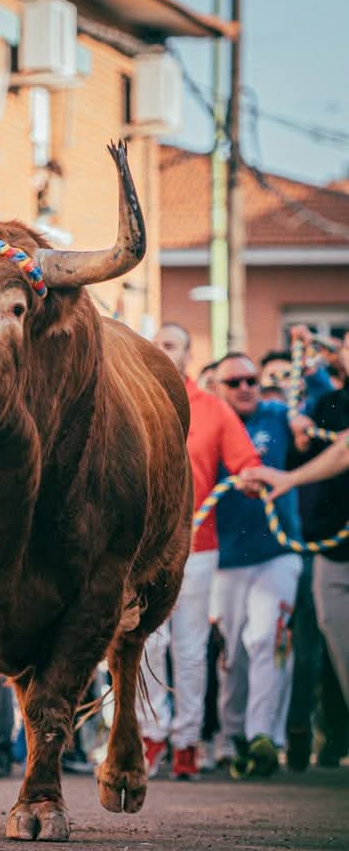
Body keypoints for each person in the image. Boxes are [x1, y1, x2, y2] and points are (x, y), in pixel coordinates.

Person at [139, 323, 262, 779]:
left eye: (170, 346)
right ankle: (151, 736)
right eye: (156, 346)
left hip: (198, 546)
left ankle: (187, 742)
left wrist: (251, 477)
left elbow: (246, 461)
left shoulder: (212, 410)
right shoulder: (132, 401)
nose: (161, 353)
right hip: (142, 550)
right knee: (147, 643)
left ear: (189, 356)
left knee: (190, 647)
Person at [209, 337, 332, 779]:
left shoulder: (277, 416)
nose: (245, 387)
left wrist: (314, 375)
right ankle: (231, 737)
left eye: (252, 380)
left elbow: (322, 408)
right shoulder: (206, 421)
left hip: (277, 554)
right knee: (231, 655)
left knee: (267, 641)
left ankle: (264, 737)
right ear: (216, 386)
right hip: (222, 560)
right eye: (234, 381)